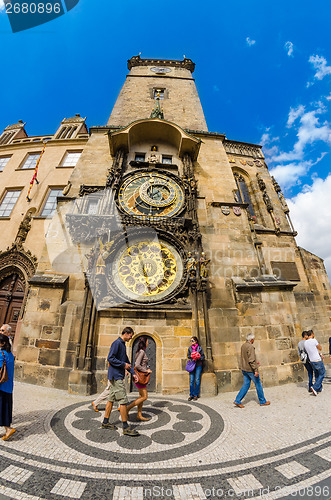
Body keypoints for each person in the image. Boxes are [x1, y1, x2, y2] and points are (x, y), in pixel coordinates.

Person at [102, 327, 140, 436]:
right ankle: (125, 427)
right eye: (131, 335)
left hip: (116, 376)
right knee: (123, 401)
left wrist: (133, 373)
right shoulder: (117, 343)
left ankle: (105, 422)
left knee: (111, 399)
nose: (131, 337)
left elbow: (126, 360)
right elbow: (110, 358)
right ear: (126, 334)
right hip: (116, 376)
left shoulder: (122, 344)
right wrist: (123, 365)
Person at [234, 333, 270, 408]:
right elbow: (251, 360)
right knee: (258, 384)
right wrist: (255, 370)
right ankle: (262, 401)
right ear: (252, 339)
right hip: (250, 369)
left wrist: (255, 362)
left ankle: (237, 400)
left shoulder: (243, 345)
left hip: (244, 368)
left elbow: (246, 357)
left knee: (246, 385)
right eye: (254, 339)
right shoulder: (250, 347)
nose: (254, 341)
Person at [126, 336, 152, 421]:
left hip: (139, 377)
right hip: (140, 378)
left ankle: (139, 415)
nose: (148, 343)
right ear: (144, 343)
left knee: (141, 396)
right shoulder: (141, 352)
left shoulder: (139, 351)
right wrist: (146, 371)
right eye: (147, 341)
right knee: (144, 397)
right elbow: (137, 365)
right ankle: (127, 408)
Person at [0, 333, 15, 440]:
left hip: (1, 386)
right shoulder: (10, 354)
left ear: (3, 343)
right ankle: (8, 429)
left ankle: (8, 429)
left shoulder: (0, 354)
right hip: (8, 386)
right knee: (4, 408)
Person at [304, 330, 325, 396]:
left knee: (316, 374)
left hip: (311, 360)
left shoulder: (305, 342)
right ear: (312, 334)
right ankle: (315, 387)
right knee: (322, 373)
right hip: (317, 359)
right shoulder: (314, 340)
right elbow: (320, 348)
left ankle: (319, 388)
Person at [187, 336, 205, 401]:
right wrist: (192, 356)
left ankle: (195, 395)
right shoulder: (190, 348)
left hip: (198, 365)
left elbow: (203, 357)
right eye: (191, 341)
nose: (191, 342)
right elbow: (188, 356)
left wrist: (198, 357)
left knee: (197, 380)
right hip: (192, 365)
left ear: (196, 341)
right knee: (191, 380)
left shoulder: (199, 348)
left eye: (193, 341)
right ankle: (191, 395)